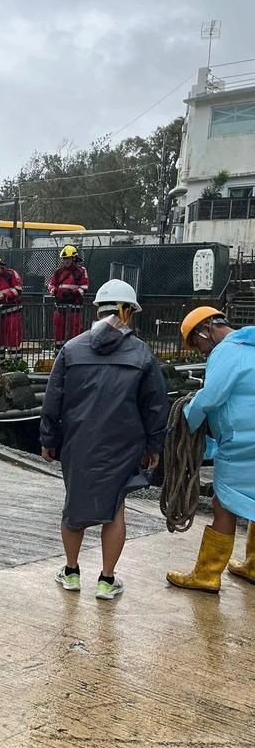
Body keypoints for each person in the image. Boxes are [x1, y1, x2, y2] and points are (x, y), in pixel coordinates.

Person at [40, 279, 169, 600]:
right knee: (115, 509)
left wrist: (47, 439)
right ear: (128, 312)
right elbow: (155, 404)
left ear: (98, 309)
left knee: (75, 506)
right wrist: (155, 445)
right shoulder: (142, 353)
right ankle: (106, 580)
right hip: (124, 444)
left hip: (78, 442)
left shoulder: (71, 349)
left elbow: (52, 400)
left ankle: (71, 573)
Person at [166, 307, 255, 594]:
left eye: (198, 344)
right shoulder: (250, 344)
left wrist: (188, 416)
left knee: (223, 503)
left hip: (242, 443)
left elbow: (213, 396)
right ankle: (253, 566)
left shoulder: (226, 352)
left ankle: (207, 574)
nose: (201, 352)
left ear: (206, 329)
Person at [47, 245, 89, 351]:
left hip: (74, 305)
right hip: (60, 304)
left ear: (74, 258)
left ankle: (75, 351)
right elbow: (51, 284)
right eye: (64, 259)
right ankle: (58, 351)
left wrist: (74, 293)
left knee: (75, 329)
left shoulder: (81, 271)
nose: (66, 261)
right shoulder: (58, 272)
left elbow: (84, 286)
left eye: (68, 259)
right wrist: (53, 291)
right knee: (58, 329)